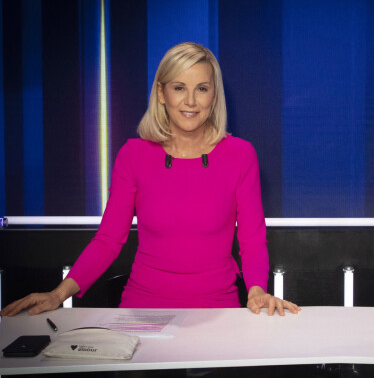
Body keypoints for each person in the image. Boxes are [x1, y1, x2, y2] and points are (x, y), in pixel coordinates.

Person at [1, 42, 300, 317]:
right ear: (161, 93)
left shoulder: (240, 155)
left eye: (202, 89)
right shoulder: (133, 155)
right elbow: (108, 240)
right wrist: (59, 293)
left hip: (218, 308)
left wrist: (256, 290)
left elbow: (252, 240)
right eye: (179, 87)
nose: (191, 101)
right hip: (143, 308)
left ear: (214, 95)